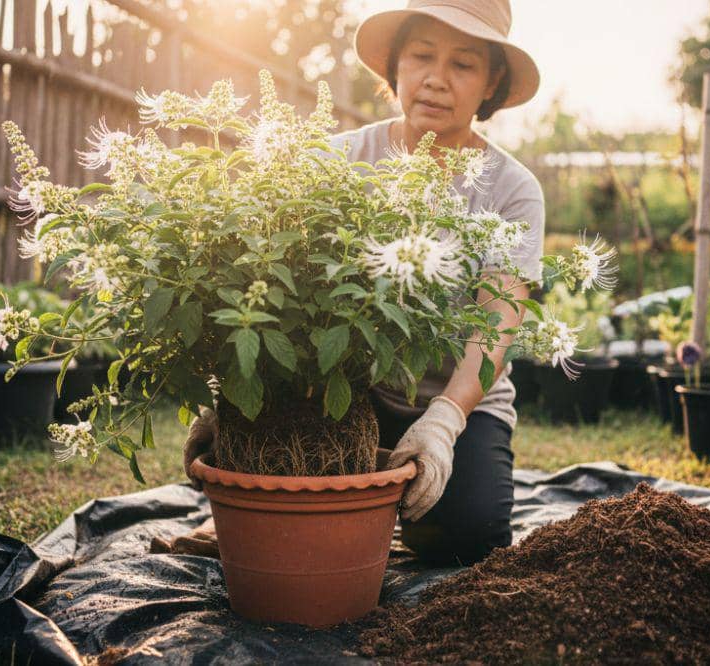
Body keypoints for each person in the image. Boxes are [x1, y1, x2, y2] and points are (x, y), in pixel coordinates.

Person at [178, 0, 544, 567]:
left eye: (463, 64)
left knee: (468, 537)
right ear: (395, 64)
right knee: (289, 481)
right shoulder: (342, 159)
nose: (435, 79)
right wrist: (234, 398)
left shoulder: (513, 189)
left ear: (492, 82)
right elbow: (282, 296)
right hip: (348, 387)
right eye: (422, 55)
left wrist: (444, 424)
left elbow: (495, 324)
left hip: (459, 399)